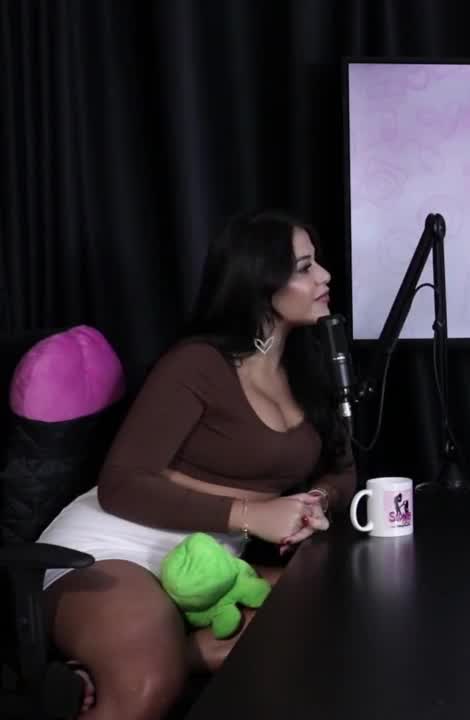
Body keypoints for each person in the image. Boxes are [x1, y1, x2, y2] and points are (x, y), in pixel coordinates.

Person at [36, 209, 355, 719]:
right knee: (147, 684)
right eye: (304, 267)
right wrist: (253, 516)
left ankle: (149, 658)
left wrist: (318, 500)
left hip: (209, 566)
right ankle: (141, 661)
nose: (325, 276)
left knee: (337, 612)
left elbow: (344, 466)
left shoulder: (308, 370)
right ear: (260, 282)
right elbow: (121, 485)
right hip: (114, 547)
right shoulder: (197, 364)